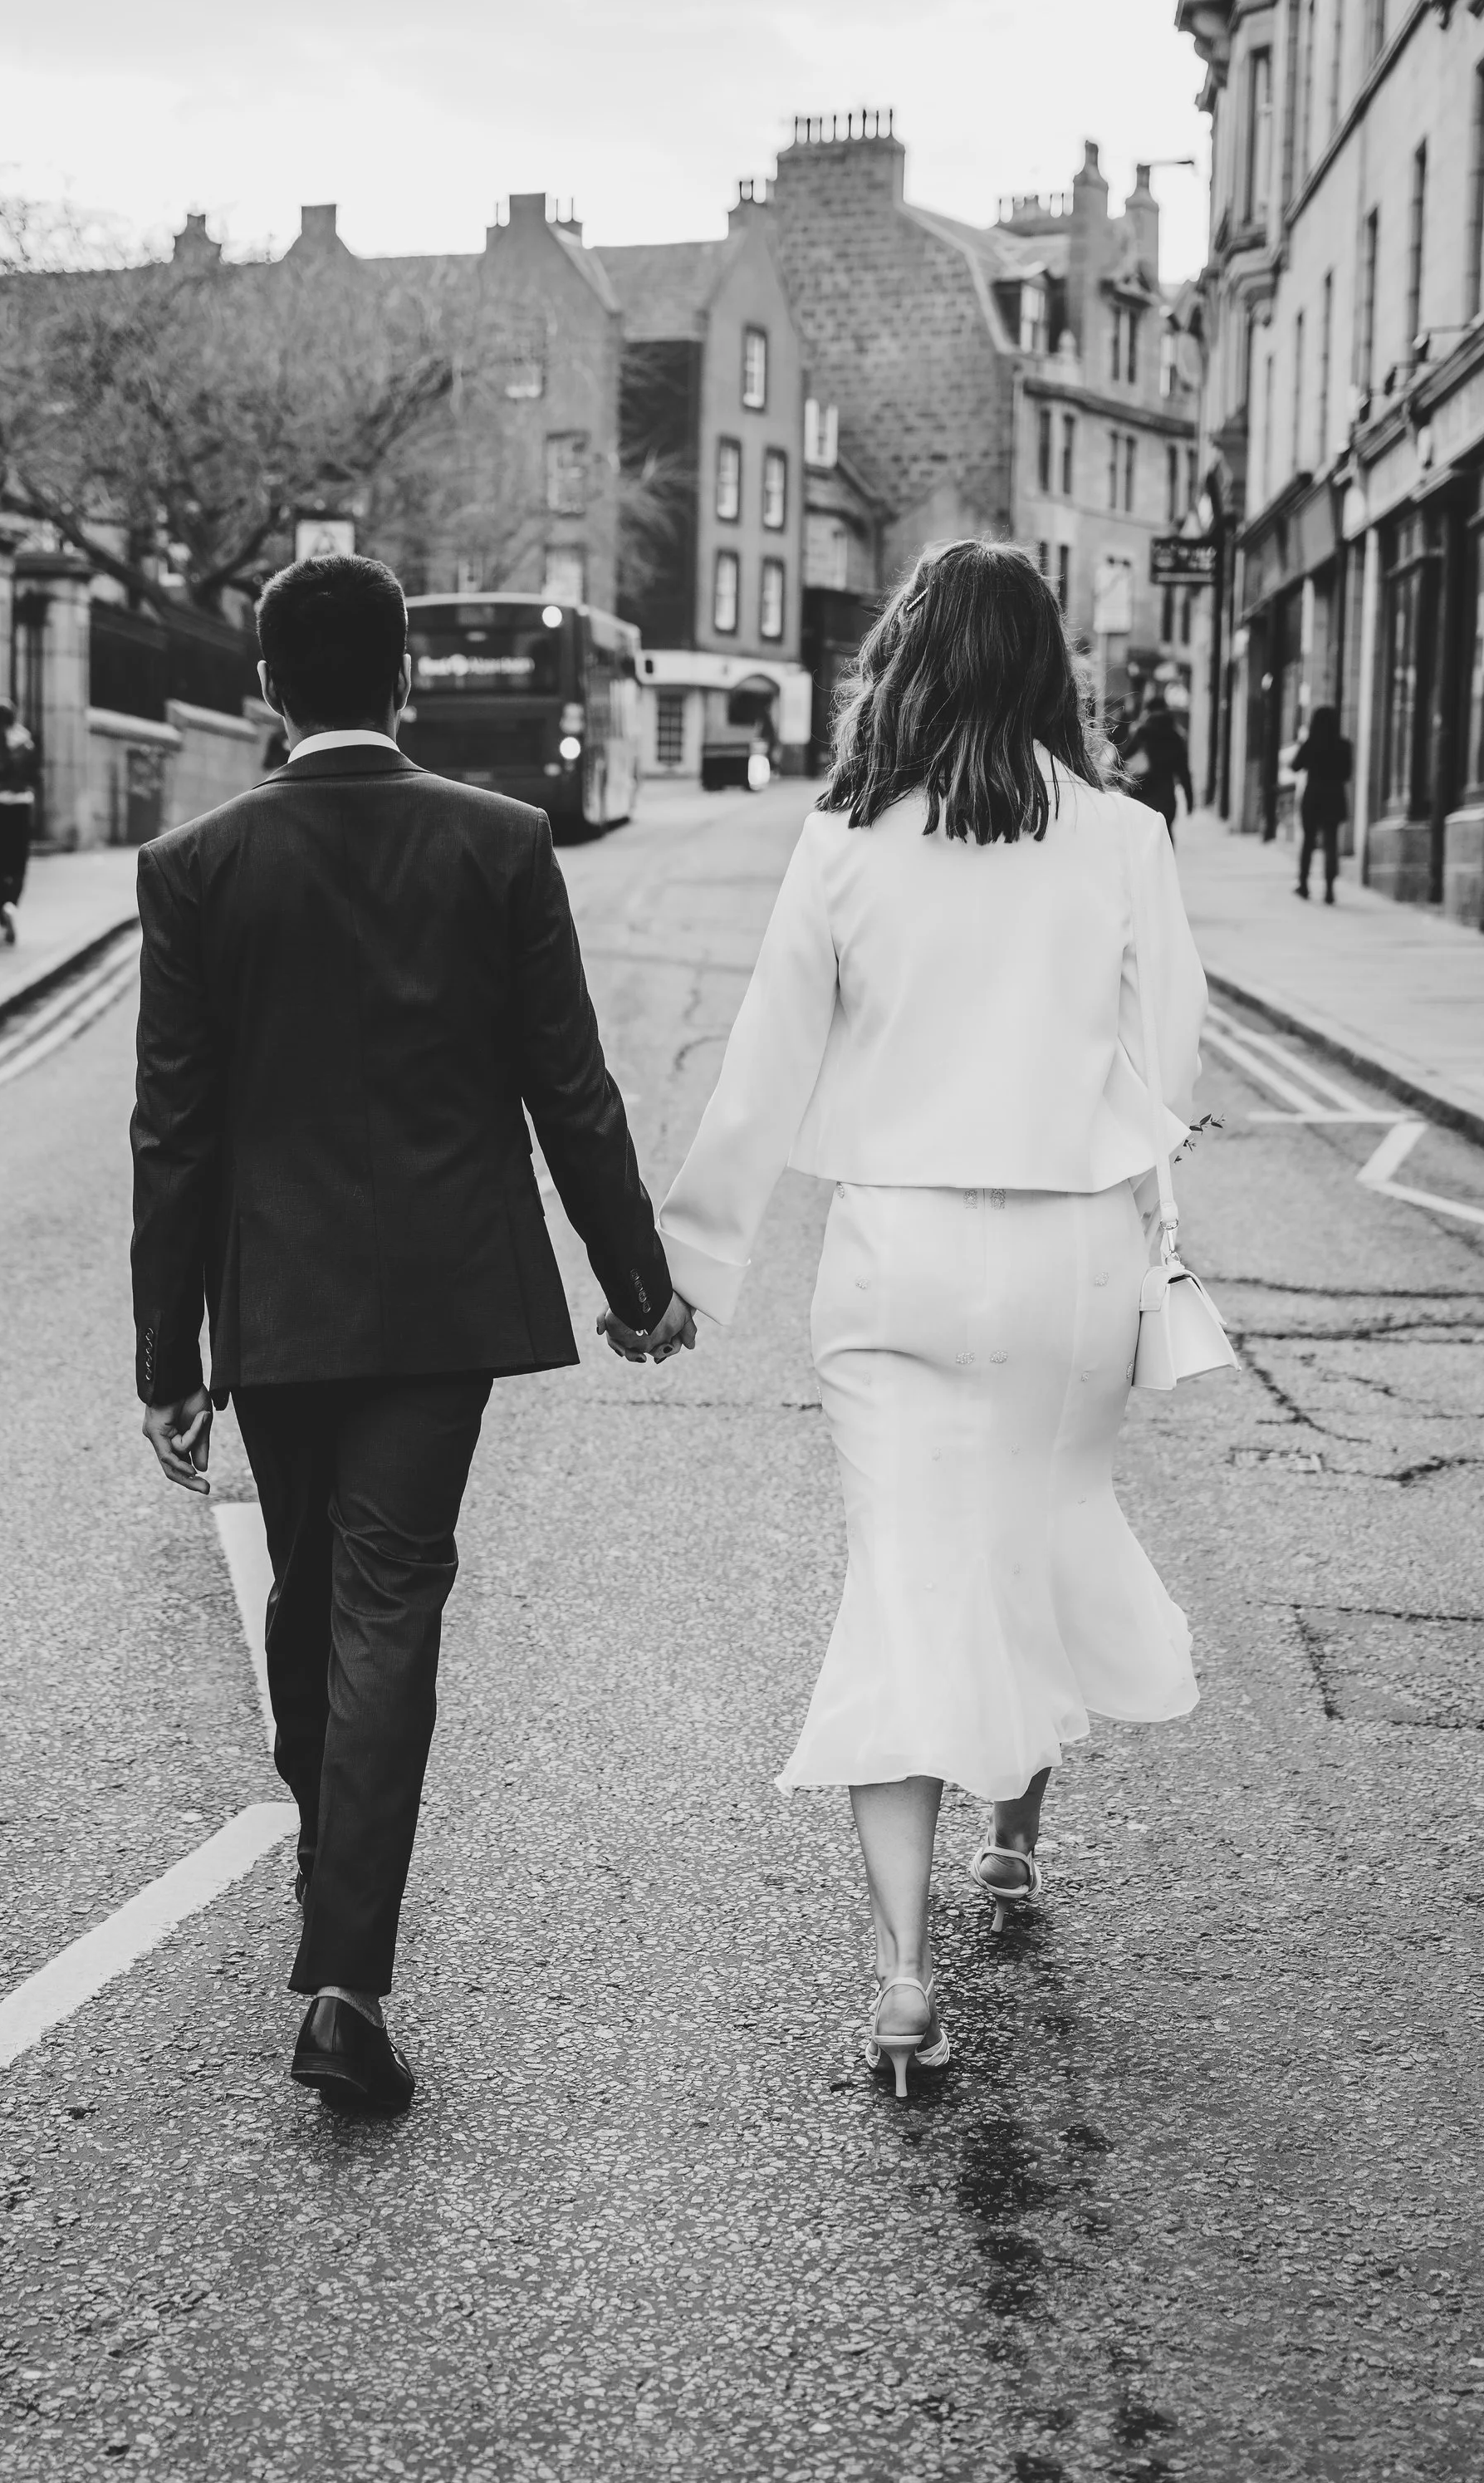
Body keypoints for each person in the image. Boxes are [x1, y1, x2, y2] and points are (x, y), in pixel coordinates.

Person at [130, 552, 690, 2121]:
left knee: (316, 1593)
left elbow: (172, 1132)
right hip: (443, 1300)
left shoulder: (195, 866)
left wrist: (167, 1359)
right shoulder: (498, 843)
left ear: (264, 690)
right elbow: (568, 1085)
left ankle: (339, 1918)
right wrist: (636, 1282)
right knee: (376, 1603)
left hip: (277, 1306)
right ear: (405, 680)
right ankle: (345, 1972)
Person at [658, 541, 1205, 2098]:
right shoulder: (1125, 840)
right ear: (1049, 672)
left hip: (894, 1258)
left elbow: (763, 1073)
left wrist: (684, 1272)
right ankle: (1013, 1844)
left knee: (909, 1581)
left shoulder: (841, 843)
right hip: (1070, 1259)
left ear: (904, 660)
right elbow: (1169, 1067)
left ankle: (904, 1974)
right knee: (1034, 1532)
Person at [0, 701, 40, 945]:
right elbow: (35, 777)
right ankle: (12, 905)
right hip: (19, 807)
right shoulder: (26, 743)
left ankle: (2, 920)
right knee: (18, 865)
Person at [1291, 704, 1354, 903]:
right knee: (1331, 843)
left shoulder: (1310, 744)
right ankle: (1329, 889)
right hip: (1334, 796)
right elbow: (1347, 774)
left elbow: (1295, 766)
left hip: (1314, 795)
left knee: (1308, 842)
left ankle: (1304, 884)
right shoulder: (1344, 745)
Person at [1123, 691, 1195, 839]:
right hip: (1166, 797)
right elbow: (1184, 771)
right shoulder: (1175, 736)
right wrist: (1190, 800)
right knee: (1165, 838)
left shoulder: (1142, 732)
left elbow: (1124, 759)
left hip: (1141, 795)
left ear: (1148, 711)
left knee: (1142, 839)